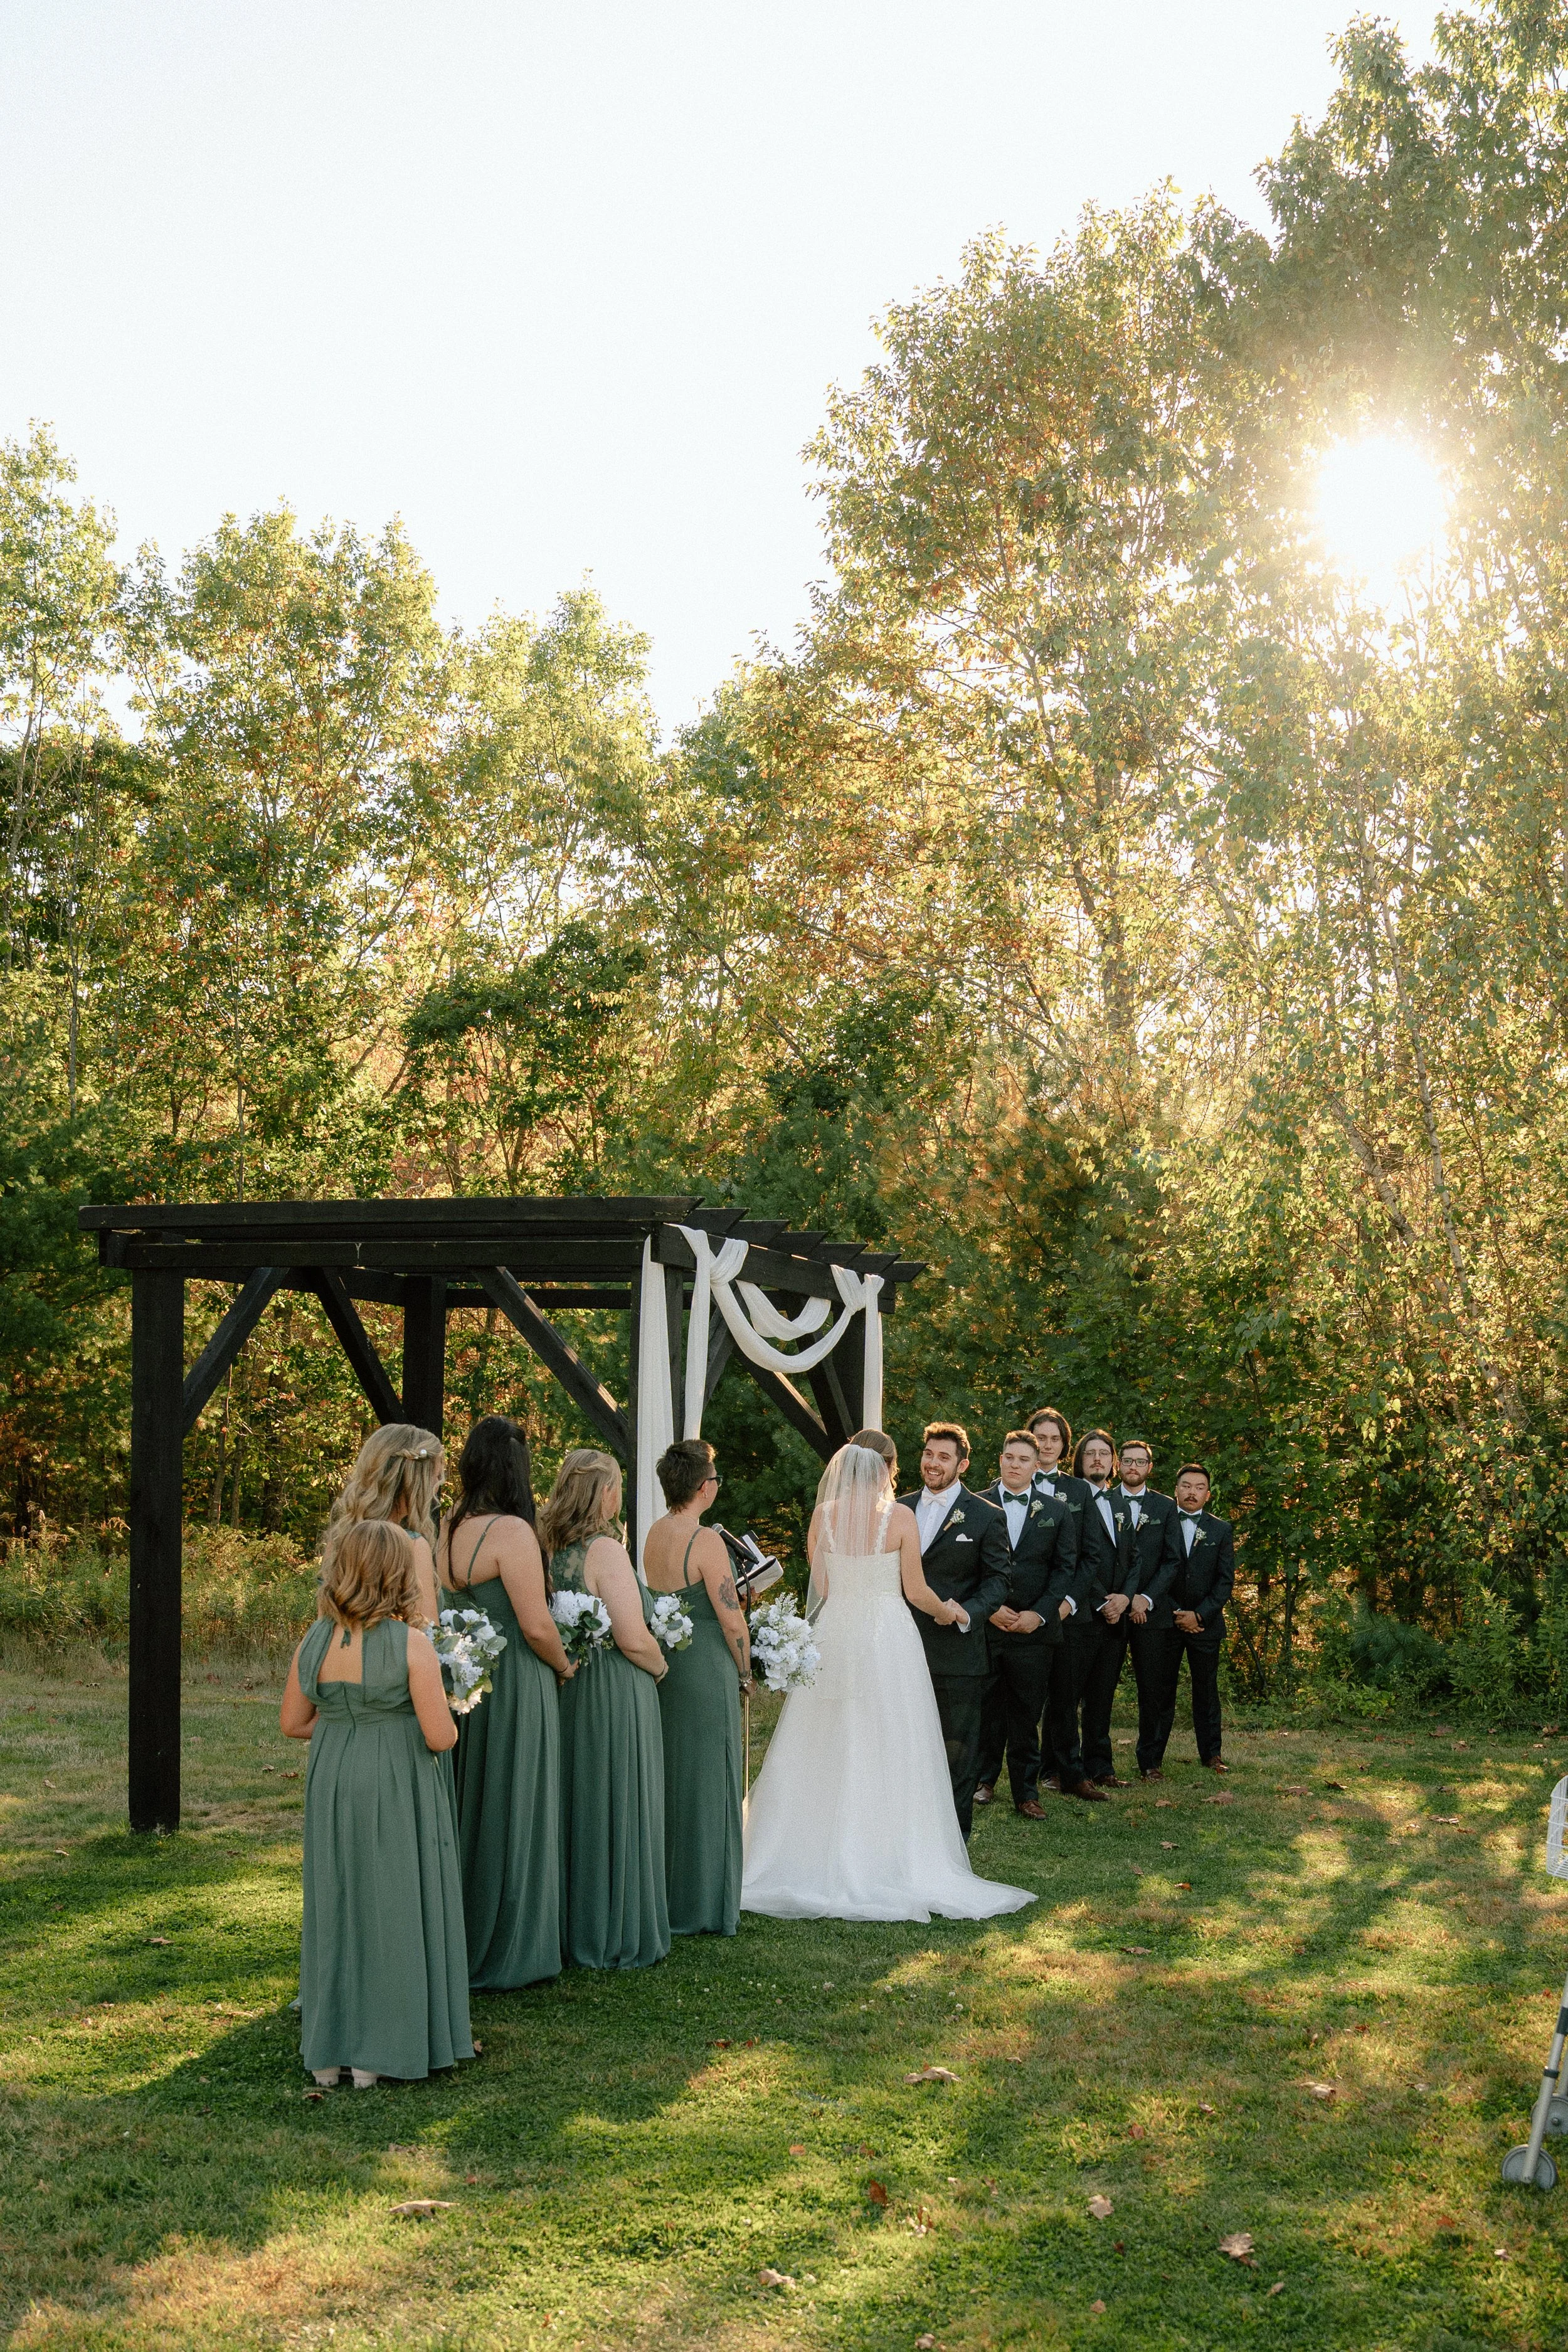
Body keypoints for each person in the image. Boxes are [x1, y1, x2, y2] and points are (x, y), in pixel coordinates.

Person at [741, 1440, 1033, 1922]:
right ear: (885, 1471)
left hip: (835, 1634)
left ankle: (805, 1845)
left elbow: (823, 1587)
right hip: (886, 1636)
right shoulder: (898, 1517)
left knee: (827, 1735)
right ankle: (887, 1849)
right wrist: (949, 1612)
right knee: (890, 1736)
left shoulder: (823, 1516)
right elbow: (916, 1591)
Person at [281, 1518, 472, 2089]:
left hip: (333, 1778)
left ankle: (329, 2054)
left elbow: (293, 1722)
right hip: (394, 1781)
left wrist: (346, 1724)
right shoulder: (410, 1644)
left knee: (338, 1900)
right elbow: (440, 1737)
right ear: (397, 1575)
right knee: (391, 1902)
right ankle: (378, 2051)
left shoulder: (314, 1639)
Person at [436, 1416, 572, 1989]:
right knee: (517, 1800)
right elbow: (536, 1626)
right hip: (516, 1681)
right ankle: (513, 1943)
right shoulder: (513, 1532)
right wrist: (564, 1665)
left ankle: (461, 1929)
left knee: (473, 1799)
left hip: (466, 1679)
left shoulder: (449, 1524)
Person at [540, 1448, 670, 1971]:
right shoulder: (606, 1551)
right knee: (617, 1795)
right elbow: (632, 1637)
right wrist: (661, 1667)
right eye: (617, 1486)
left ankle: (573, 1922)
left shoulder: (547, 1547)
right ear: (606, 1494)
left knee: (580, 1798)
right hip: (615, 1688)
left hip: (569, 1686)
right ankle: (613, 1928)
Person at [643, 1437, 751, 1938]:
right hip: (706, 1667)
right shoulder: (705, 1540)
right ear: (704, 1487)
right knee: (710, 1781)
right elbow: (731, 1620)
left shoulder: (654, 1533)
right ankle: (706, 1903)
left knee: (674, 1778)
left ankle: (670, 1893)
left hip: (669, 1662)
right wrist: (745, 1671)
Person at [896, 1422, 1013, 1838]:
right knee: (902, 1746)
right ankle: (906, 1834)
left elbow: (998, 1582)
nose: (933, 1463)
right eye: (928, 1454)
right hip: (900, 1647)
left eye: (943, 1457)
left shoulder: (986, 1515)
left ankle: (954, 1840)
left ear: (962, 1465)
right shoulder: (898, 1509)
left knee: (957, 1752)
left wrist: (966, 1614)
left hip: (958, 1656)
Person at [974, 1431, 1078, 1816]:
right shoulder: (976, 1504)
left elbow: (1065, 1569)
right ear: (1000, 1460)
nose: (1015, 1465)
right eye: (1009, 1457)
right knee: (986, 1711)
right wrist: (990, 1608)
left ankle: (1026, 1793)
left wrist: (1040, 1614)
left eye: (1023, 1460)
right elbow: (966, 1566)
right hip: (988, 1626)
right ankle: (982, 1781)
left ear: (1037, 1465)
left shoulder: (1057, 1511)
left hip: (1034, 1631)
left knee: (1026, 1714)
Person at [1035, 1416, 1115, 1801]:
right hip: (1020, 1609)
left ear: (1065, 1446)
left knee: (1065, 1696)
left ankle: (1068, 1772)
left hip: (1070, 1611)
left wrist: (1068, 1602)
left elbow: (1091, 1555)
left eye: (1055, 1439)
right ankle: (993, 1776)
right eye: (1040, 1438)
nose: (1047, 1445)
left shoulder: (1079, 1490)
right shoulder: (1005, 1486)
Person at [1138, 1461, 1235, 1777]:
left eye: (1199, 1488)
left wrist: (1200, 1614)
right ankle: (1151, 1761)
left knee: (1206, 1691)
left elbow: (1224, 1582)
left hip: (1205, 1624)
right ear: (1176, 1489)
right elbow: (1153, 1571)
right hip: (1164, 1621)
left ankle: (1212, 1755)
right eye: (1186, 1486)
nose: (1192, 1492)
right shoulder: (1159, 1523)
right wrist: (1175, 1612)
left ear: (1208, 1494)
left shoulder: (1221, 1530)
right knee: (1160, 1691)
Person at [322, 1424, 445, 1628]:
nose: (437, 1485)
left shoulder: (340, 1539)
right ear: (417, 1479)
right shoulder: (413, 1545)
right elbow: (429, 1634)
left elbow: (324, 1624)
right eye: (436, 1476)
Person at [1112, 1438, 1184, 1784]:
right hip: (1110, 1611)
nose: (1133, 1467)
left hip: (1152, 1613)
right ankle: (1096, 1763)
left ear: (1150, 1467)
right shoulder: (1104, 1501)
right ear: (1118, 1465)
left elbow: (1173, 1560)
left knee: (1154, 1690)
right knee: (1099, 1689)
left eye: (1140, 1462)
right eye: (1127, 1461)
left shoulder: (1166, 1507)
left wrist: (1146, 1599)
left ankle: (1150, 1761)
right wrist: (1122, 1599)